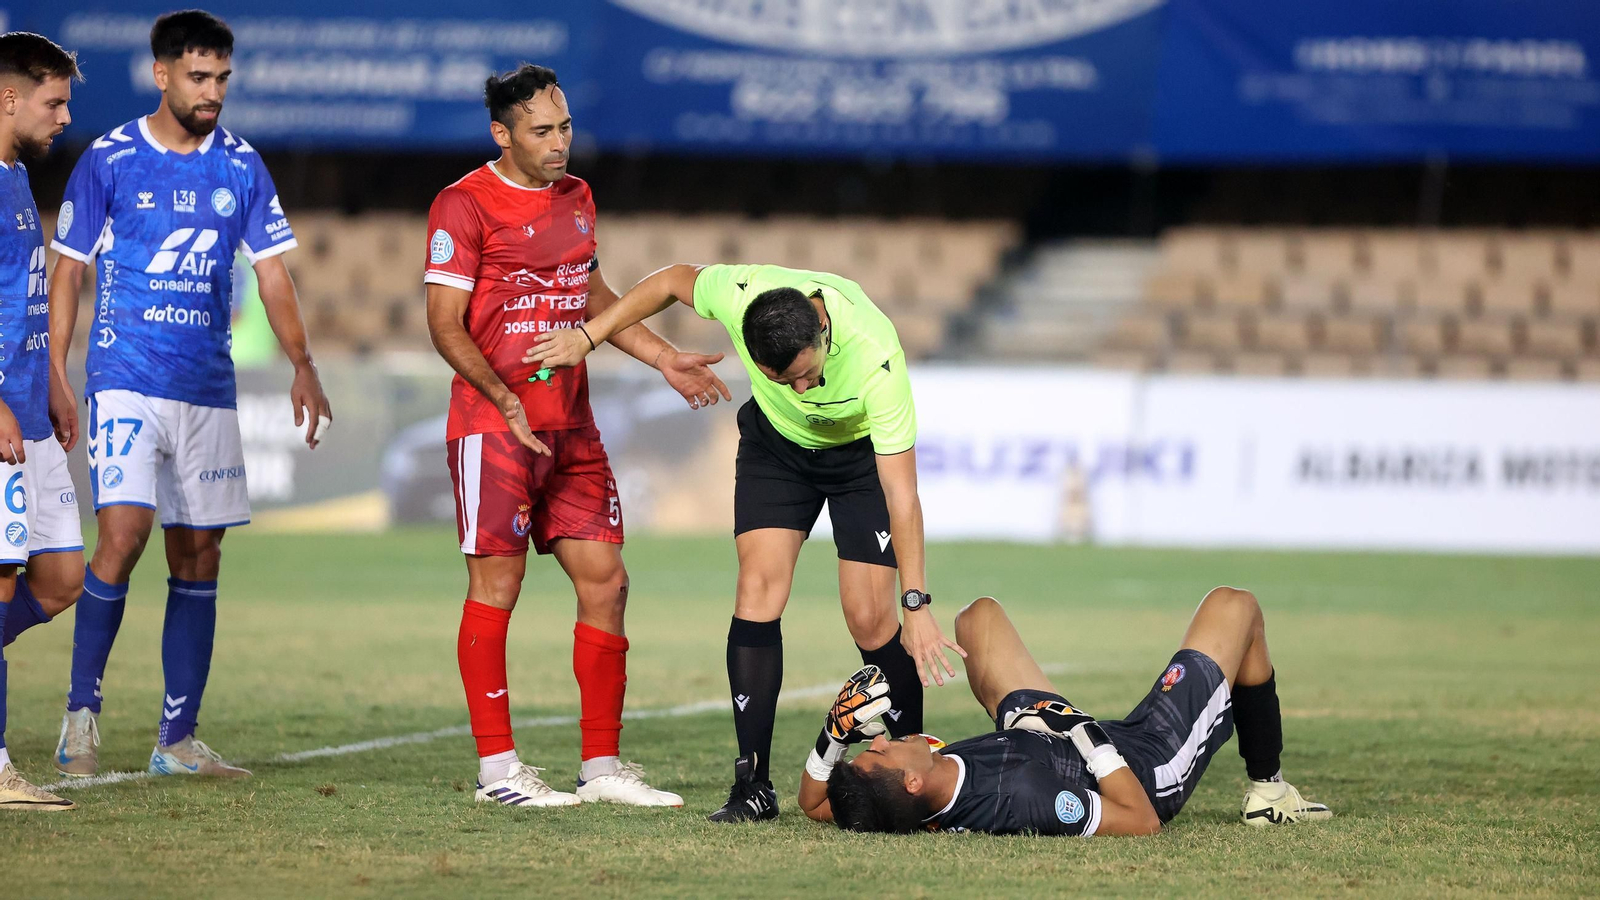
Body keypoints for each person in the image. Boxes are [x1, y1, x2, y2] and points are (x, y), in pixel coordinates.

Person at [526, 262, 964, 823]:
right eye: (784, 381)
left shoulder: (876, 355)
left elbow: (902, 496)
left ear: (821, 333)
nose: (803, 389)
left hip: (858, 462)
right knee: (756, 592)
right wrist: (588, 337)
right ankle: (752, 786)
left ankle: (916, 775)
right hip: (776, 451)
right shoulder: (738, 295)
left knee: (870, 619)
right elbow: (668, 281)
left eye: (807, 375)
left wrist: (917, 604)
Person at [424, 64, 729, 808]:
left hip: (573, 429)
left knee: (609, 582)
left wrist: (663, 359)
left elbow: (587, 293)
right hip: (495, 428)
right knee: (498, 587)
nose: (560, 143)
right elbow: (442, 324)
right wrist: (503, 398)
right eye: (542, 131)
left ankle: (602, 769)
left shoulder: (578, 197)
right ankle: (499, 772)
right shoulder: (462, 205)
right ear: (503, 133)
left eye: (565, 127)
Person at [48, 10, 332, 779]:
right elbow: (69, 267)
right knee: (125, 535)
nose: (213, 92)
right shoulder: (109, 158)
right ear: (162, 74)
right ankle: (82, 713)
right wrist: (56, 369)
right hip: (124, 378)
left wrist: (304, 364)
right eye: (199, 78)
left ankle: (176, 739)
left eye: (222, 80)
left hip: (207, 387)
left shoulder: (241, 165)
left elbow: (273, 271)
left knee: (201, 553)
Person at [800, 587, 1333, 835]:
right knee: (1235, 607)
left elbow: (817, 803)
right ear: (912, 784)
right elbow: (1140, 821)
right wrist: (1080, 731)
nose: (879, 740)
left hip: (1036, 733)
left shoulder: (894, 800)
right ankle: (1269, 791)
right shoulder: (1024, 799)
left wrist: (833, 735)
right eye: (880, 754)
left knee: (977, 618)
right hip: (1138, 763)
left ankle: (1055, 722)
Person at [0, 31, 81, 811]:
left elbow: (21, 299)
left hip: (31, 411)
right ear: (8, 96)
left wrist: (55, 381)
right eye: (53, 101)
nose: (64, 116)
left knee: (59, 582)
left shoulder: (17, 175)